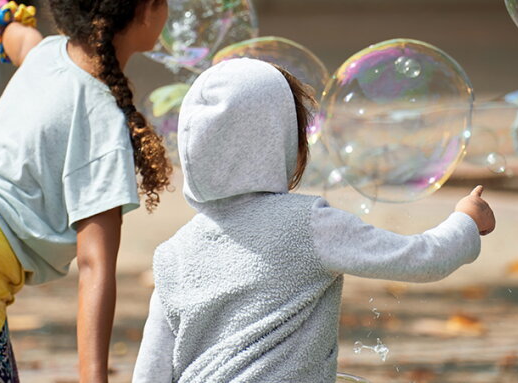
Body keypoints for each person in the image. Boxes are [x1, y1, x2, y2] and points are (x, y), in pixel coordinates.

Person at [132, 58, 496, 383]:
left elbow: (151, 370)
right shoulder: (305, 225)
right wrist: (465, 220)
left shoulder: (172, 254)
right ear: (281, 143)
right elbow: (422, 259)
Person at [0, 0, 172, 381]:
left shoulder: (48, 52)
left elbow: (21, 39)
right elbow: (94, 265)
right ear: (146, 10)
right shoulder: (103, 123)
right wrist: (93, 376)